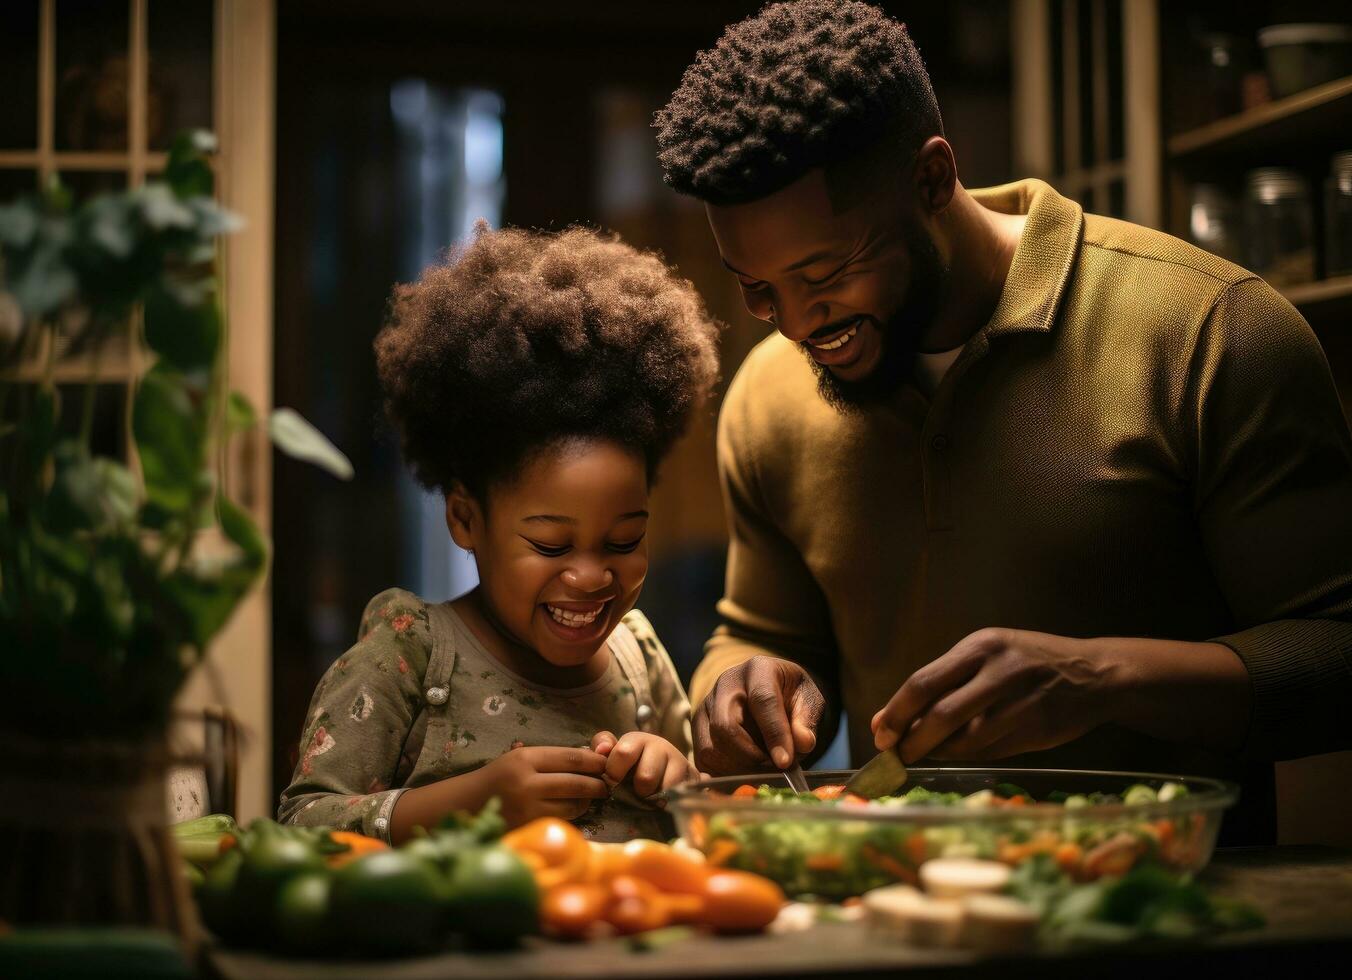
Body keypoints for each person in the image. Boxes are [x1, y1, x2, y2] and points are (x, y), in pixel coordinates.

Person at [654, 0, 1352, 843]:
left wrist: (1104, 676)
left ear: (933, 178)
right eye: (756, 287)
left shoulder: (1212, 331)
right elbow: (760, 632)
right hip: (898, 913)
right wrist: (738, 686)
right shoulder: (768, 395)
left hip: (1163, 912)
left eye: (826, 271)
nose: (798, 323)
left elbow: (1336, 655)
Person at [278, 223, 720, 843]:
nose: (592, 576)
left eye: (623, 542)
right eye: (551, 545)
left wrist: (680, 785)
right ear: (465, 519)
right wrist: (473, 801)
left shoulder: (637, 654)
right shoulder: (409, 653)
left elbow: (710, 820)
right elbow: (301, 827)